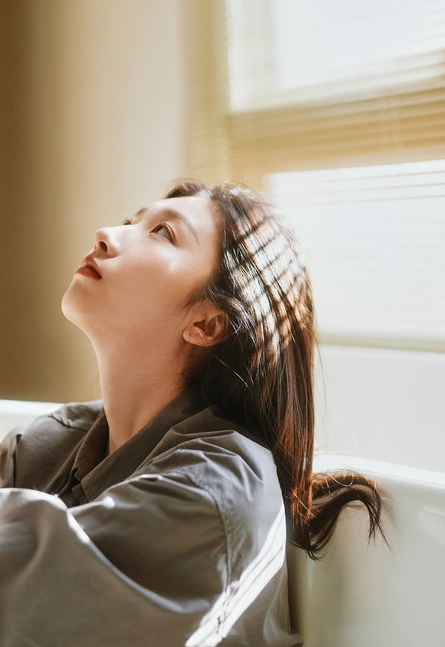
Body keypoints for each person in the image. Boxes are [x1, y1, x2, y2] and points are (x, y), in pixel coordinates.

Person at [0, 179, 387, 646]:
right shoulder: (48, 443)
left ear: (207, 322)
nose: (105, 233)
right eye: (130, 222)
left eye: (162, 232)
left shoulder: (220, 490)